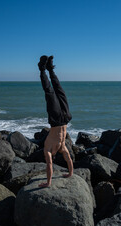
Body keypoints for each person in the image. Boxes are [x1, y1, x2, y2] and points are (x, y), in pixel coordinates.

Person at [38, 55, 73, 187]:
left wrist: (48, 183)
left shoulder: (47, 147)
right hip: (65, 118)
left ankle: (42, 69)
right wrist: (70, 173)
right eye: (51, 157)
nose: (50, 158)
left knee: (49, 92)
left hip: (56, 118)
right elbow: (69, 160)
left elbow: (49, 166)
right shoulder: (62, 147)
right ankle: (50, 69)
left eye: (50, 158)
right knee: (59, 89)